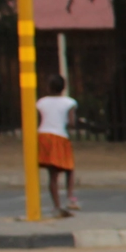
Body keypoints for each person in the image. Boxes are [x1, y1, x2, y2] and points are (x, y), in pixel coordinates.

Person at [37, 74, 80, 216]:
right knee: (69, 168)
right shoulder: (69, 102)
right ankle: (70, 197)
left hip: (43, 136)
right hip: (60, 137)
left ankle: (56, 206)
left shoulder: (41, 102)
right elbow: (71, 122)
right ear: (64, 88)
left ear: (48, 87)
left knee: (52, 174)